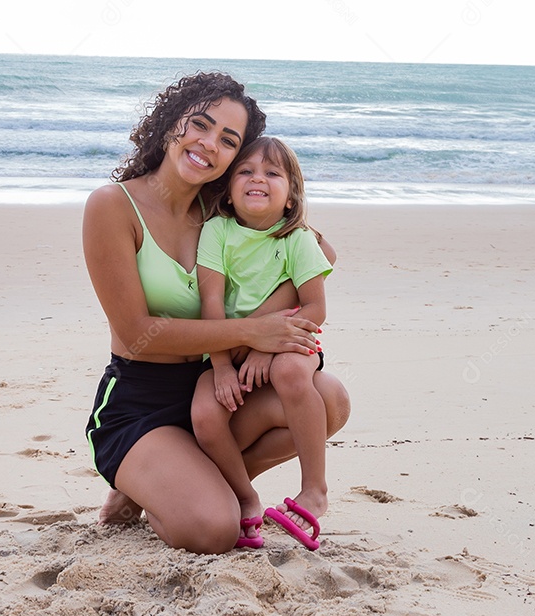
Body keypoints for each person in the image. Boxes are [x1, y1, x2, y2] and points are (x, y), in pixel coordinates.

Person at [82, 72, 350, 554]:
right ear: (170, 123)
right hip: (142, 402)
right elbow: (137, 331)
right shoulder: (113, 206)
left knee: (329, 400)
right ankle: (149, 484)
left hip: (217, 388)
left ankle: (190, 479)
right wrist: (254, 331)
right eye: (200, 125)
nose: (209, 144)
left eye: (228, 140)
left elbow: (321, 252)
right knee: (212, 531)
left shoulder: (223, 210)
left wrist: (269, 329)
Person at [192, 136, 333, 551]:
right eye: (246, 171)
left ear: (291, 197)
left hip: (287, 343)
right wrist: (220, 367)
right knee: (204, 415)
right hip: (225, 352)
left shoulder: (296, 239)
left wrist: (264, 348)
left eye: (273, 173)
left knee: (291, 371)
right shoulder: (216, 231)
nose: (258, 179)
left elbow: (315, 307)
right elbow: (211, 302)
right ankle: (244, 494)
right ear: (229, 191)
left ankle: (315, 490)